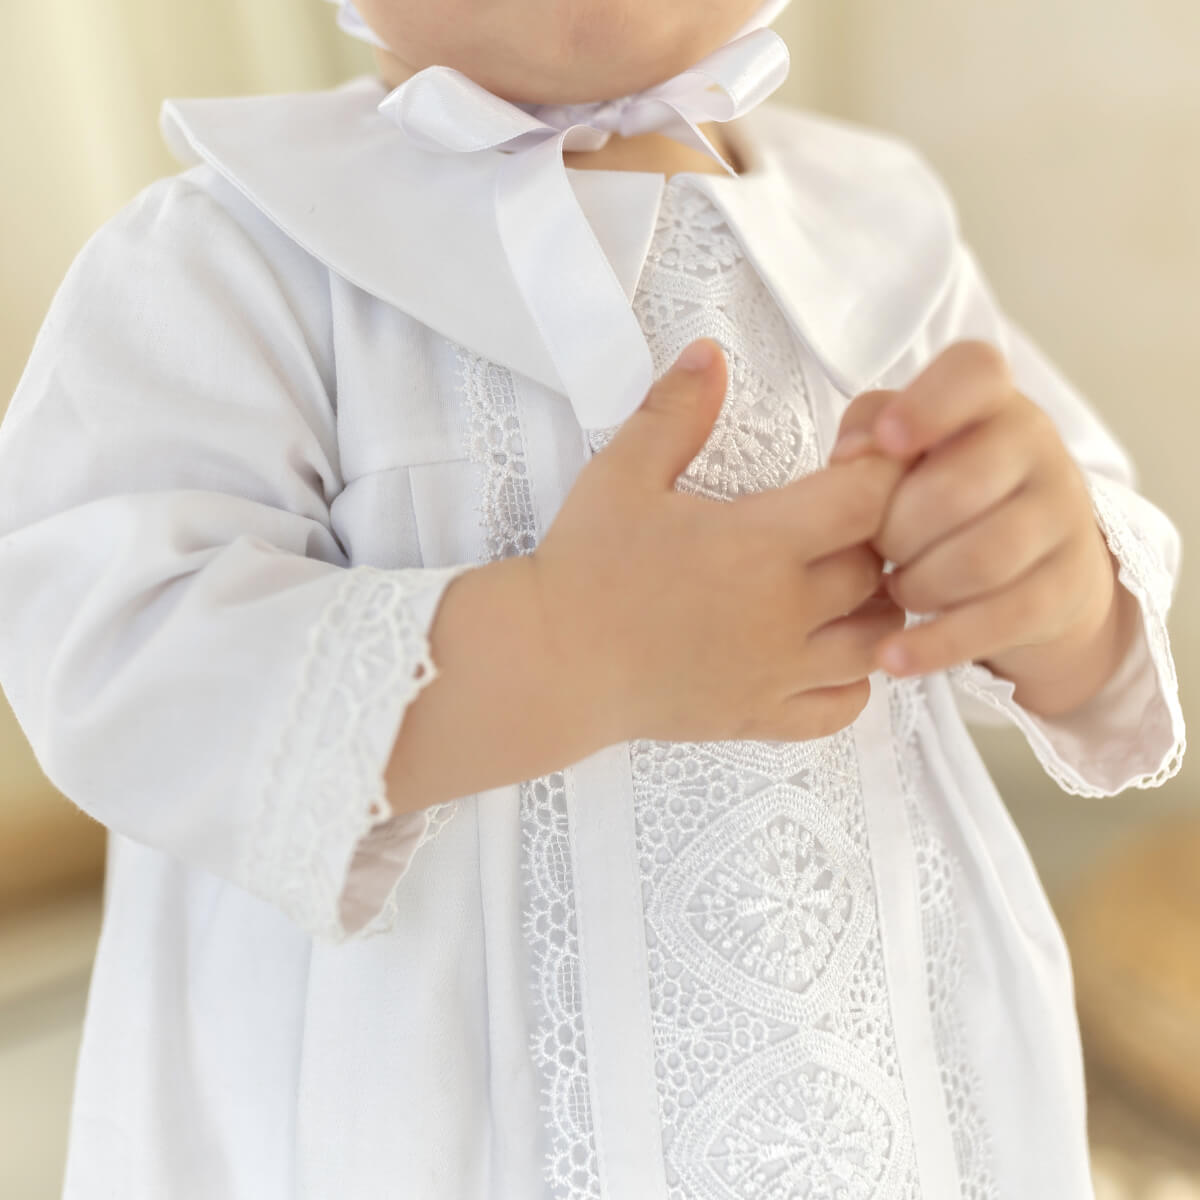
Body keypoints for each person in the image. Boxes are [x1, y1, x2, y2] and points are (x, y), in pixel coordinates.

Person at [0, 1, 1184, 1196]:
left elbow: (1086, 660)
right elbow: (115, 658)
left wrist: (1045, 577)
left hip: (868, 1069)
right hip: (429, 1120)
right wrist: (567, 651)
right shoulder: (238, 257)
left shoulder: (876, 238)